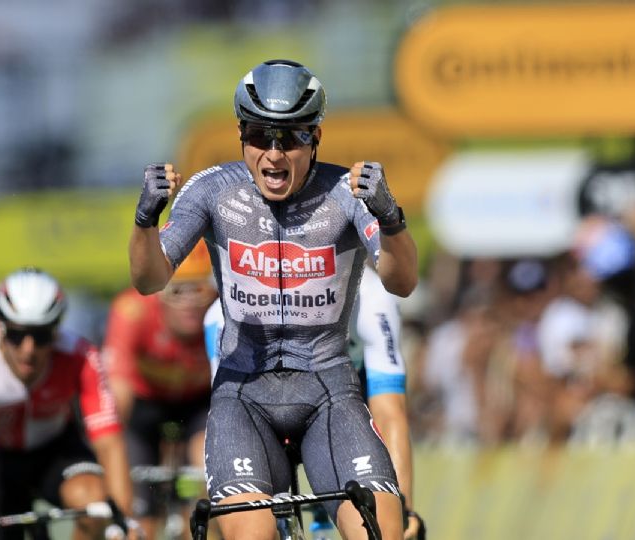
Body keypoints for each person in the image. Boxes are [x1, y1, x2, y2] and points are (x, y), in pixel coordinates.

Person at [129, 59, 417, 540]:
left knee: (381, 532)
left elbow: (402, 281)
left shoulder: (347, 193)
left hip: (328, 389)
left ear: (316, 137)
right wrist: (144, 224)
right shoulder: (211, 191)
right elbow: (149, 280)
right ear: (242, 134)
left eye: (293, 137)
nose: (274, 153)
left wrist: (392, 219)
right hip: (243, 393)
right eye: (260, 136)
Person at [205, 263, 422, 538]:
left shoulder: (372, 295)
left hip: (348, 395)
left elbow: (389, 410)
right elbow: (224, 421)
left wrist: (405, 508)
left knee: (380, 525)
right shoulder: (222, 314)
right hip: (259, 401)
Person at [0, 268, 134, 540]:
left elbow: (109, 442)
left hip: (53, 450)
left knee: (94, 504)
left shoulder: (82, 357)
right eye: (17, 334)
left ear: (56, 330)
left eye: (41, 335)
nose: (28, 349)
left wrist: (123, 522)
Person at [102, 242, 216, 540]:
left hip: (198, 404)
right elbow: (118, 397)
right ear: (158, 293)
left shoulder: (223, 309)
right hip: (144, 405)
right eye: (177, 291)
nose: (190, 302)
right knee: (139, 522)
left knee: (207, 475)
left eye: (199, 289)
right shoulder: (132, 311)